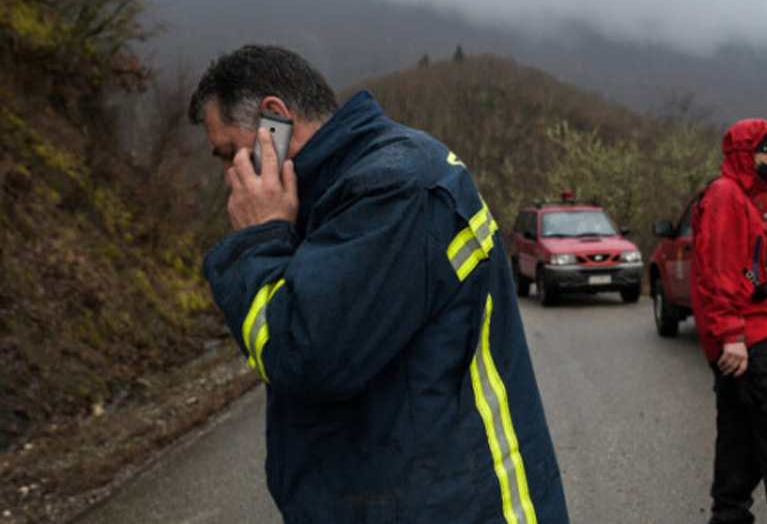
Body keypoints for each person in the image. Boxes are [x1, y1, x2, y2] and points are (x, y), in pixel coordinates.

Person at [187, 44, 568, 522]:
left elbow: (303, 353)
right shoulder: (339, 193)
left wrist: (260, 239)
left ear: (275, 120)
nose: (229, 177)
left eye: (229, 154)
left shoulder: (391, 187)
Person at [690, 118, 767, 524]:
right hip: (748, 339)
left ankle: (728, 517)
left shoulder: (742, 197)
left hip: (748, 336)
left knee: (739, 444)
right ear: (744, 154)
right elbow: (717, 271)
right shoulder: (725, 195)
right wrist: (731, 334)